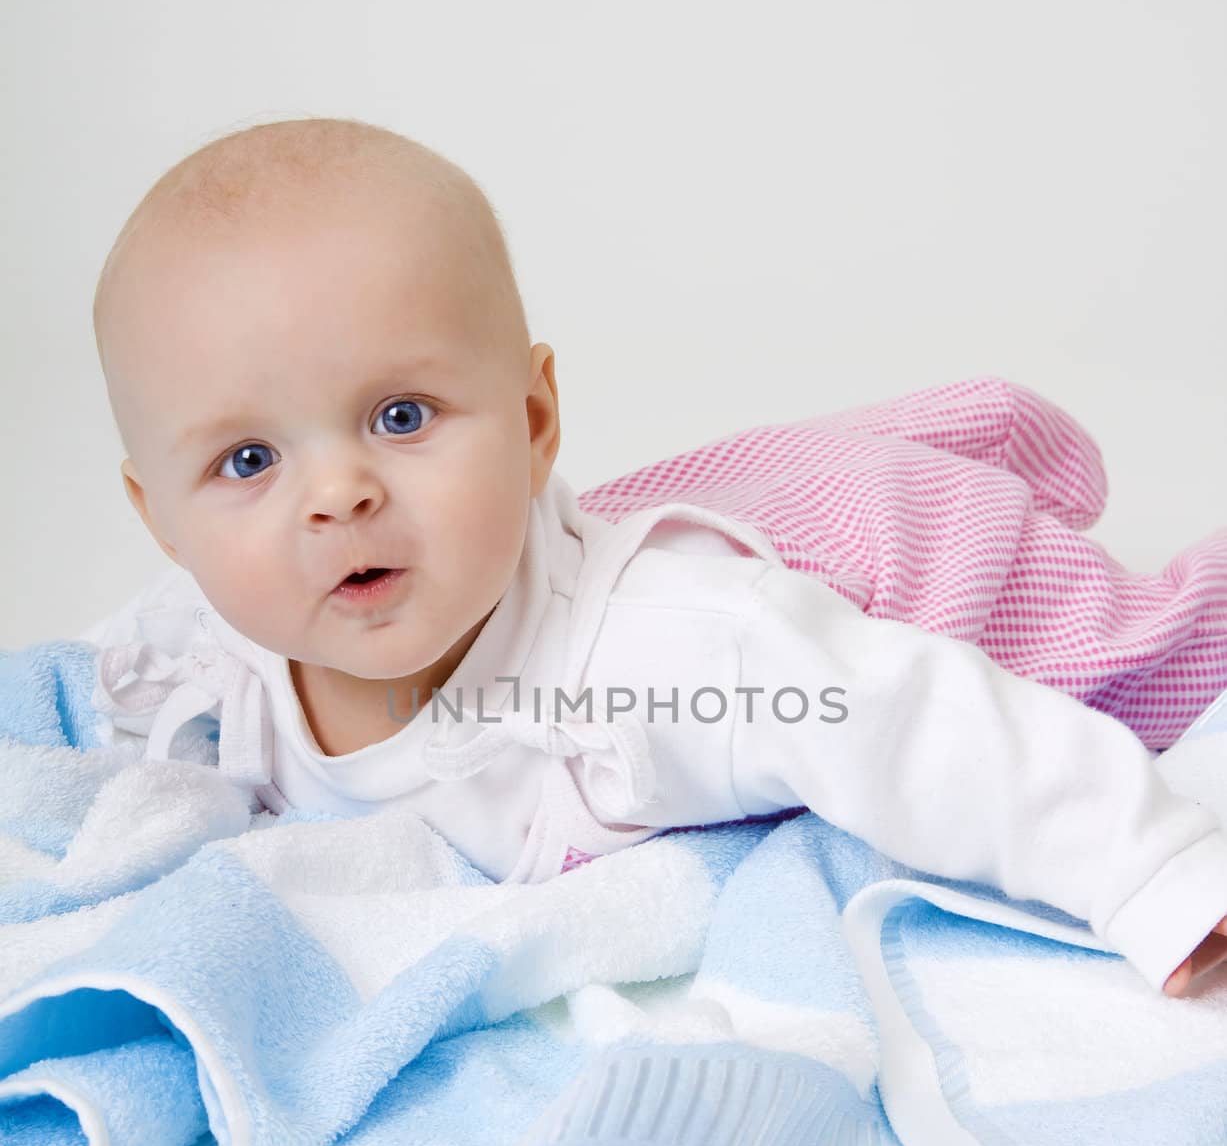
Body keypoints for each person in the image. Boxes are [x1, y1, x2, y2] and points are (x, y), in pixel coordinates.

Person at [84, 115, 1227, 1001]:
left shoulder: (669, 661)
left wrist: (1153, 875)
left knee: (1160, 658)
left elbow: (913, 724)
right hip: (730, 513)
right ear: (163, 523)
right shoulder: (216, 650)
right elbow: (105, 673)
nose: (337, 495)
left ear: (533, 422)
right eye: (246, 460)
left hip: (903, 560)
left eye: (399, 416)